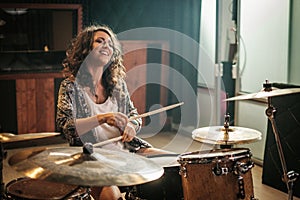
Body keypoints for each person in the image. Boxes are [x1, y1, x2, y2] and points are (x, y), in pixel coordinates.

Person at [56, 24, 172, 200]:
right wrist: (101, 118)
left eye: (110, 44)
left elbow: (134, 116)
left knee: (172, 163)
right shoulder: (70, 86)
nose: (106, 46)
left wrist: (132, 126)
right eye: (99, 41)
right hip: (94, 158)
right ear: (86, 49)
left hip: (126, 151)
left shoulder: (117, 86)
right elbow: (66, 127)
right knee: (111, 195)